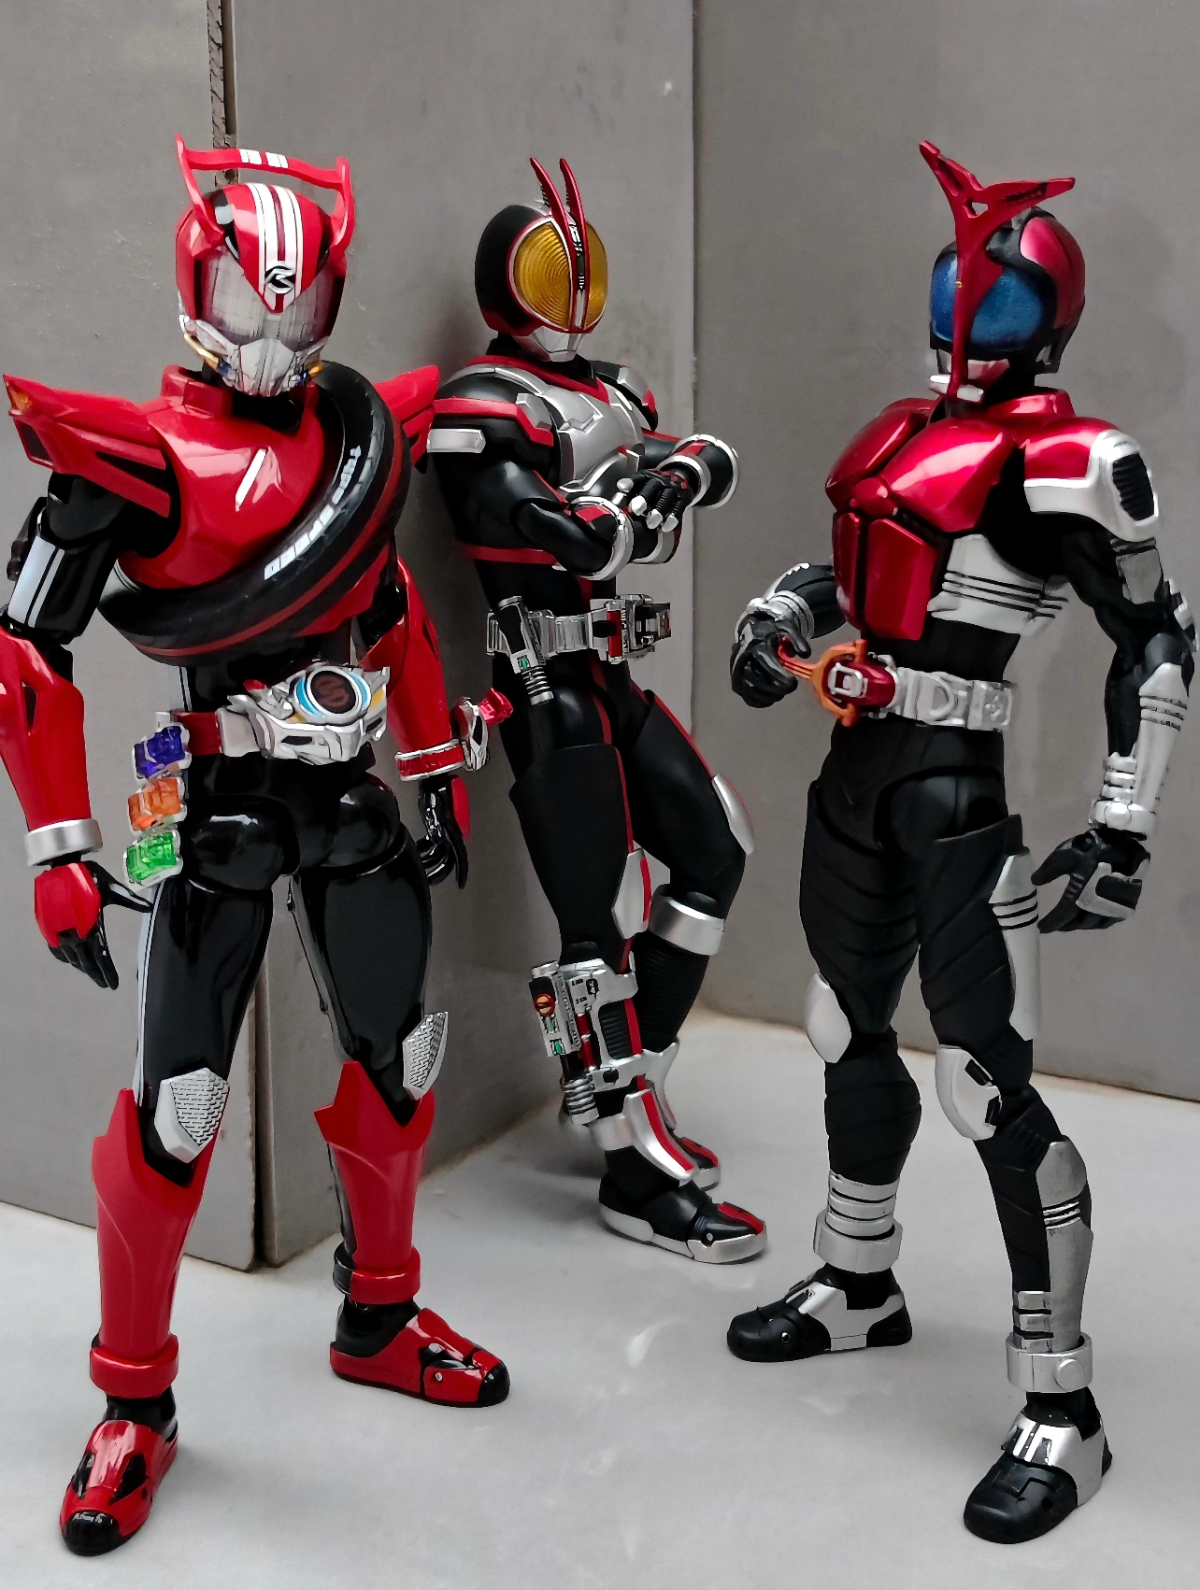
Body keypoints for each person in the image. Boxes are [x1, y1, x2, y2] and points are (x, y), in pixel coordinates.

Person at [0, 138, 509, 1555]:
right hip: (217, 805)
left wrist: (434, 769)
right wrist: (60, 844)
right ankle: (133, 1402)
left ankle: (382, 1315)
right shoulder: (136, 456)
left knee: (401, 1056)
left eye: (301, 301)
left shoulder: (357, 441)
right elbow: (25, 652)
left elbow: (389, 609)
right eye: (248, 294)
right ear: (199, 285)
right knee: (179, 1108)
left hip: (349, 798)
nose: (275, 327)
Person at [727, 143, 1192, 1542]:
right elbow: (856, 576)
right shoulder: (897, 432)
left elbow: (1156, 638)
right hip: (856, 776)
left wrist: (1123, 825)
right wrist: (785, 618)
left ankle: (1062, 1402)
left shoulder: (1074, 461)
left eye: (1000, 298)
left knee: (987, 1086)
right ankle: (857, 1277)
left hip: (956, 795)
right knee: (840, 1027)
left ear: (1051, 316)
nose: (970, 320)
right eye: (956, 290)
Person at [429, 158, 765, 1264]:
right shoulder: (480, 409)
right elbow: (565, 535)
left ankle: (629, 1092)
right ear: (504, 280)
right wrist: (638, 498)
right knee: (599, 921)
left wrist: (676, 475)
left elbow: (705, 459)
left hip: (612, 674)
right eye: (547, 271)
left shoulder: (612, 391)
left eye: (583, 272)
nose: (570, 296)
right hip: (545, 690)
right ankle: (631, 1169)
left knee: (715, 849)